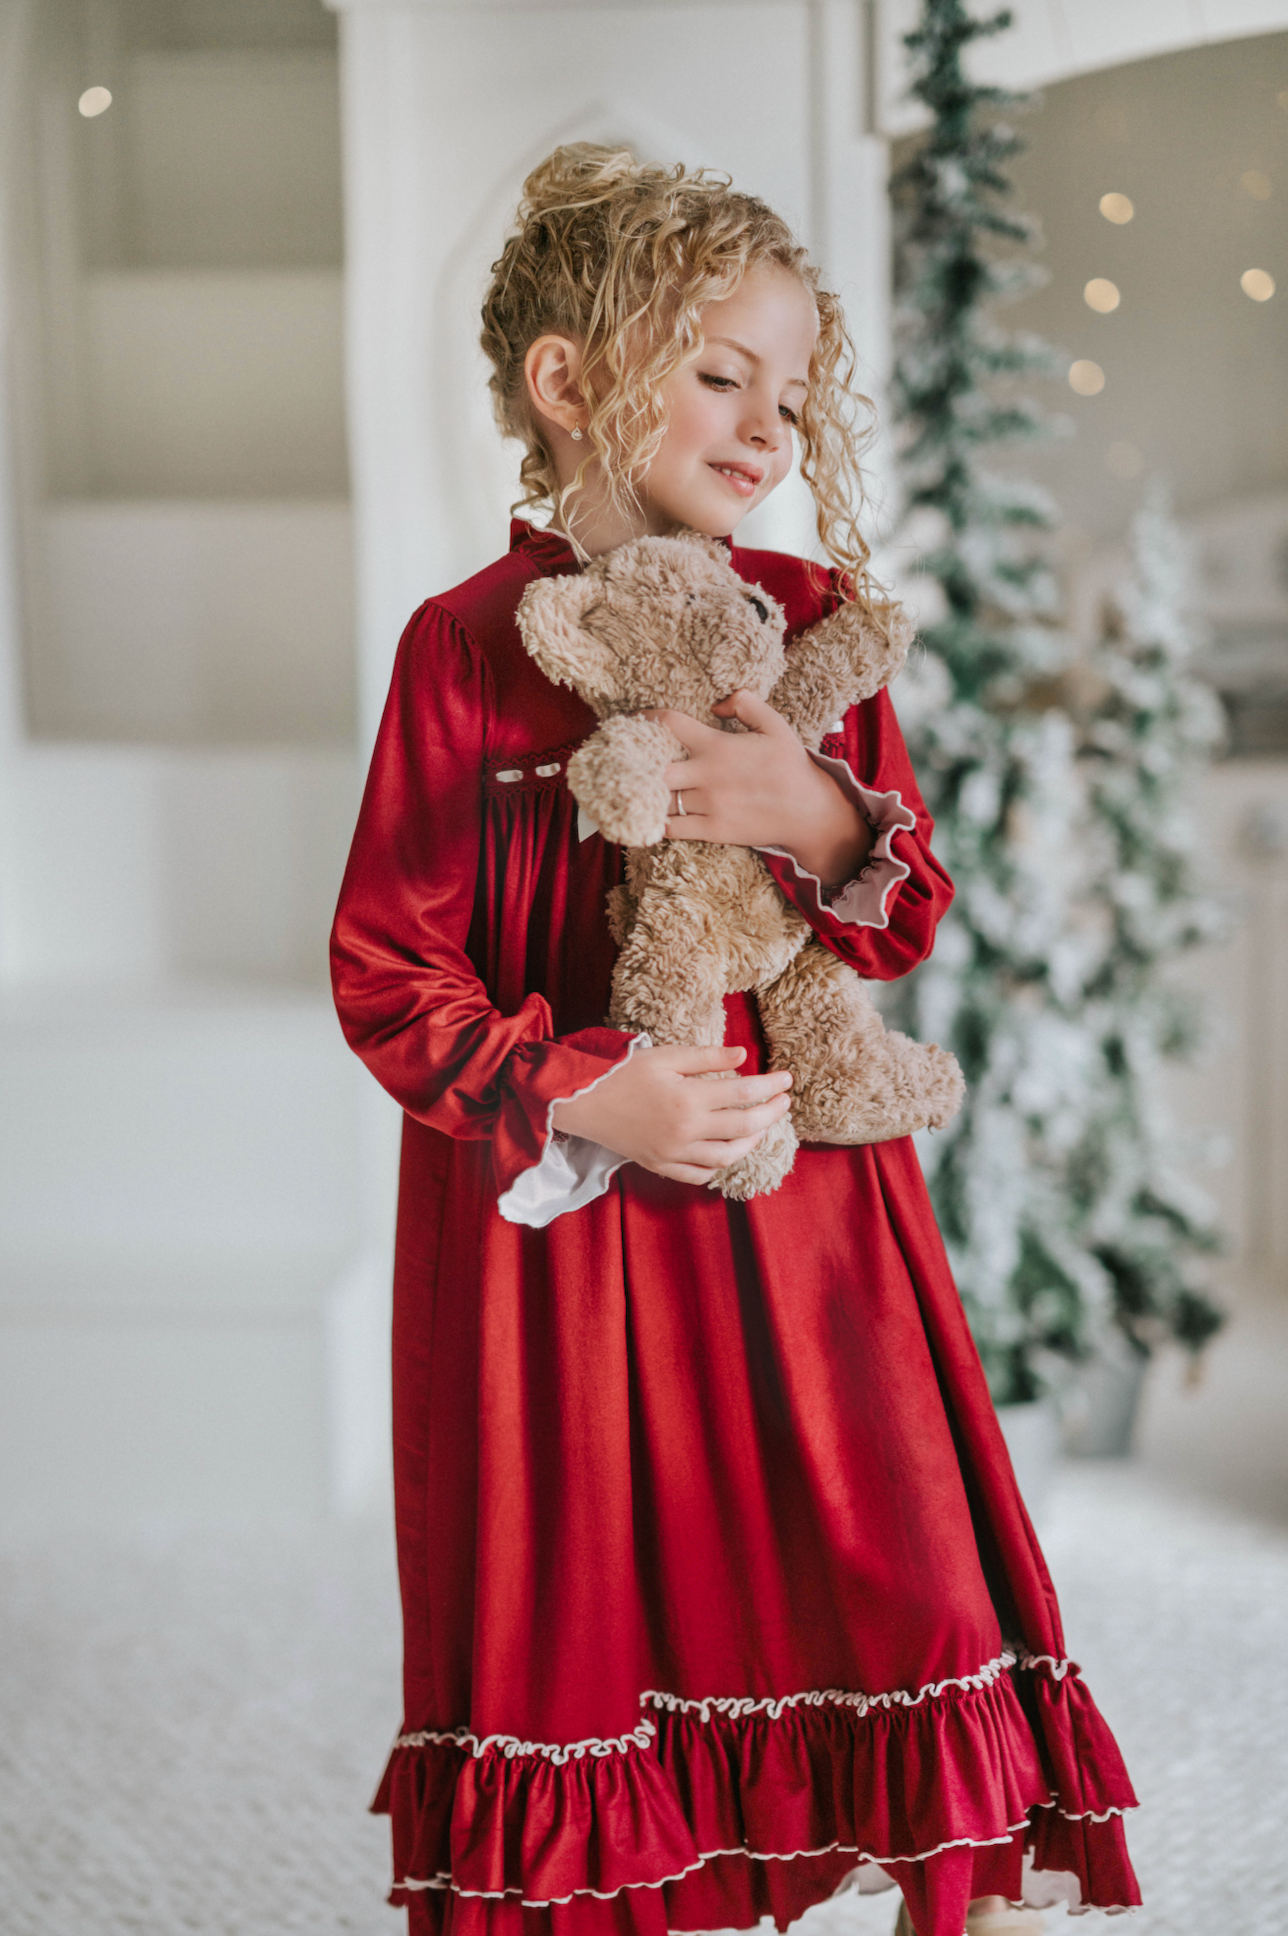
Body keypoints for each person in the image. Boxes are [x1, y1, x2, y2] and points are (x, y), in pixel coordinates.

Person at [330, 145, 1140, 1936]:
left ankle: (972, 1891)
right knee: (600, 1607)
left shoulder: (804, 630)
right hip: (572, 1253)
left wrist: (824, 815)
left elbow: (905, 914)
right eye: (723, 376)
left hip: (818, 1212)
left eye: (792, 391)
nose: (770, 425)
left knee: (912, 1570)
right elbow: (391, 969)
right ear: (569, 381)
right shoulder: (464, 652)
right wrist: (584, 1082)